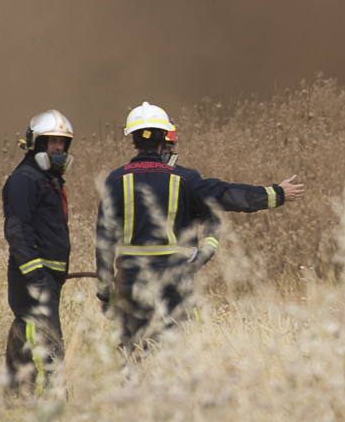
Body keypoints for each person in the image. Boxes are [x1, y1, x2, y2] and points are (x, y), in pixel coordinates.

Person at [94, 102, 304, 353]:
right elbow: (226, 194)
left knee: (133, 350)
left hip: (130, 280)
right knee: (177, 349)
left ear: (132, 140)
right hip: (174, 278)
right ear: (164, 138)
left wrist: (105, 293)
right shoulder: (184, 180)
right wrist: (275, 194)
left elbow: (103, 242)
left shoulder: (115, 180)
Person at [2, 110, 75, 396]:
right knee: (43, 336)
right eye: (52, 141)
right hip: (33, 275)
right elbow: (17, 229)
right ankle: (49, 396)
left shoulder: (47, 179)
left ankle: (18, 395)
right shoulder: (25, 179)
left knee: (28, 333)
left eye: (62, 142)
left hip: (47, 274)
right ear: (37, 143)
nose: (58, 147)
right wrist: (34, 273)